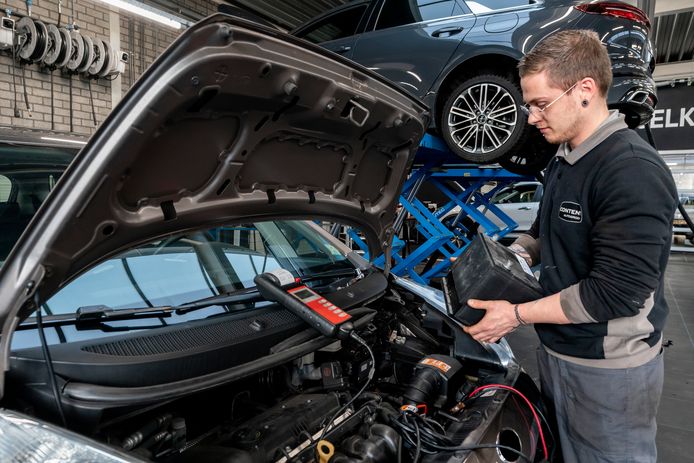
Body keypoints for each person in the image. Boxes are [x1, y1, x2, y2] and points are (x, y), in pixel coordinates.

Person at [461, 30, 678, 462]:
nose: (530, 117)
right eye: (528, 104)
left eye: (540, 104)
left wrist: (515, 314)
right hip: (559, 348)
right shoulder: (563, 159)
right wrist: (515, 256)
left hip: (608, 367)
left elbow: (615, 294)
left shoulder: (630, 170)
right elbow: (544, 232)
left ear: (584, 91)